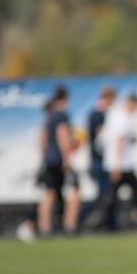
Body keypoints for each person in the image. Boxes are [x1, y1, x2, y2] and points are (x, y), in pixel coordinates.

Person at [101, 94, 137, 232]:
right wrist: (118, 165)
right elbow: (120, 140)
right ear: (131, 103)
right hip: (122, 165)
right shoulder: (122, 117)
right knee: (125, 196)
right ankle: (107, 224)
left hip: (120, 164)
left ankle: (108, 224)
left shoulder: (116, 115)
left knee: (121, 196)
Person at [37, 87, 80, 235]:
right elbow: (62, 134)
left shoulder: (49, 116)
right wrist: (66, 158)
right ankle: (70, 226)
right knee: (74, 191)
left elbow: (42, 137)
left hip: (49, 160)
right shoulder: (62, 115)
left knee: (49, 193)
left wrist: (44, 156)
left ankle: (44, 227)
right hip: (60, 160)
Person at [84, 86, 117, 229]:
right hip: (99, 162)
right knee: (102, 196)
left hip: (103, 162)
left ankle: (109, 224)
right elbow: (101, 139)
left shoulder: (100, 114)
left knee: (107, 194)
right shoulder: (98, 115)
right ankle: (79, 219)